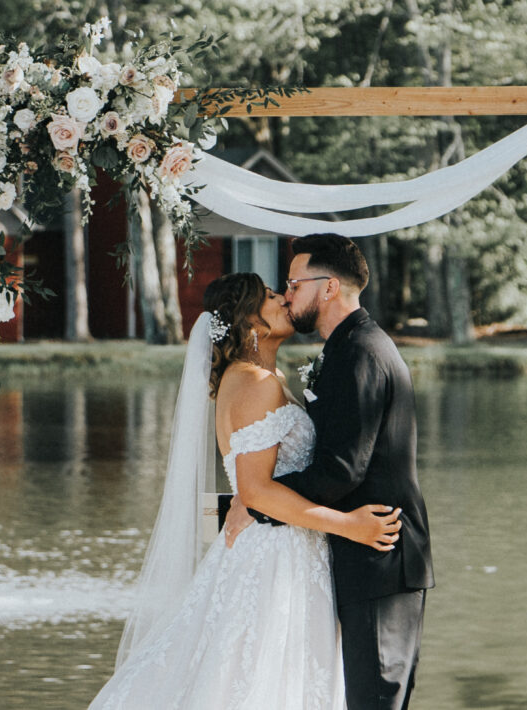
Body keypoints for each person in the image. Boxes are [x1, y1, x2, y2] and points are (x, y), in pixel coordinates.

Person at [88, 272, 402, 710]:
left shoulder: (258, 378)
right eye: (272, 297)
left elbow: (253, 483)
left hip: (282, 545)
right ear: (250, 321)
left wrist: (248, 496)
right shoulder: (255, 383)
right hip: (275, 554)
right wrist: (350, 525)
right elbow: (257, 491)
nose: (286, 299)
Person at [227, 234, 435, 710]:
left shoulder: (361, 352)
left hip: (379, 552)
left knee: (375, 699)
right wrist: (253, 497)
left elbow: (340, 471)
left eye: (294, 284)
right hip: (363, 554)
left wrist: (256, 500)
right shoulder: (346, 348)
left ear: (329, 287)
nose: (287, 295)